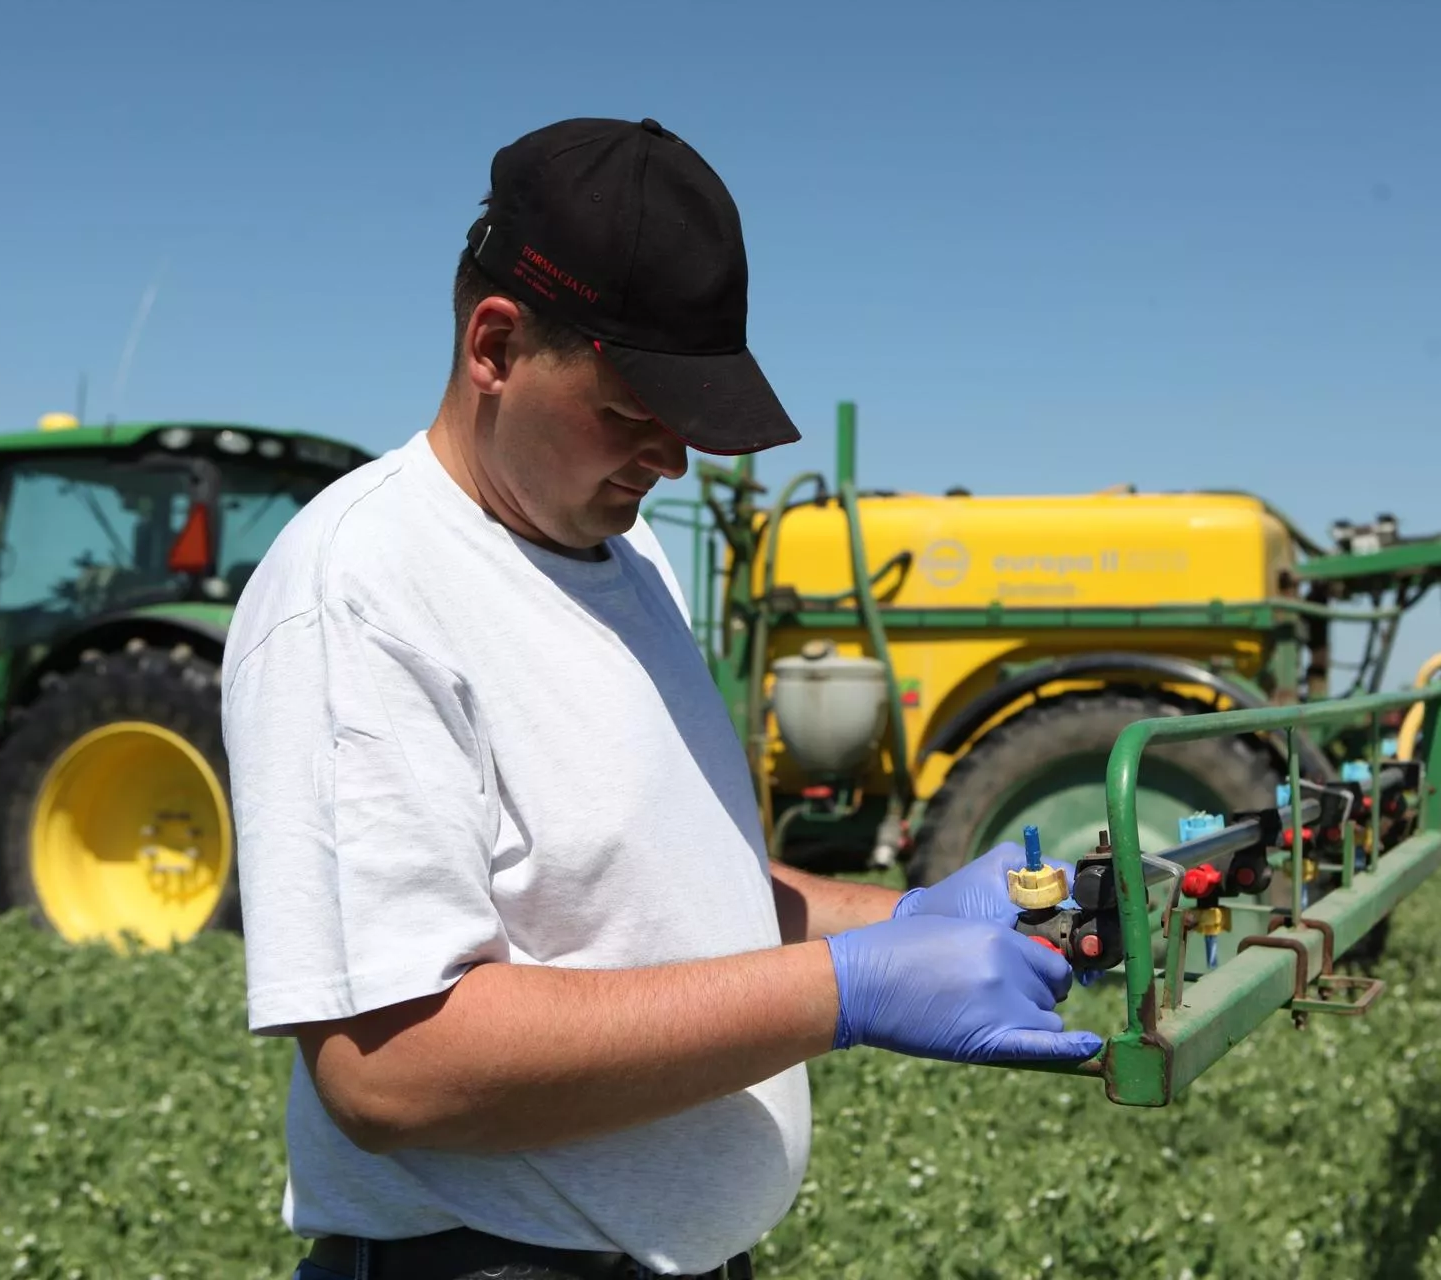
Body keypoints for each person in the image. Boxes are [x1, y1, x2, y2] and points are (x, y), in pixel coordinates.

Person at [219, 116, 1102, 1280]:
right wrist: (844, 991)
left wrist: (906, 920)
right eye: (635, 412)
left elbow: (662, 886)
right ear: (494, 346)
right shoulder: (362, 590)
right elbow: (392, 1064)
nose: (672, 462)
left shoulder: (631, 570)